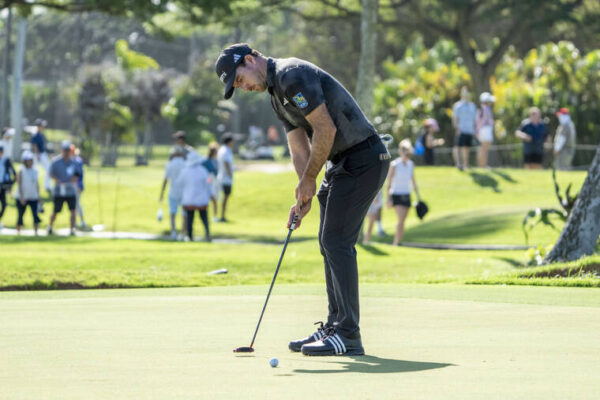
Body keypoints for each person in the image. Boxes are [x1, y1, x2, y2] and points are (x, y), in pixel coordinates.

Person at [216, 43, 390, 356]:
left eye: (240, 80)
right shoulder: (276, 97)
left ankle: (349, 335)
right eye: (236, 87)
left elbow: (325, 128)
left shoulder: (291, 74)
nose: (243, 88)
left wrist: (310, 178)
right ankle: (335, 326)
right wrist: (303, 191)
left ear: (251, 59)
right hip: (342, 163)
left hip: (364, 157)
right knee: (328, 242)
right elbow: (299, 149)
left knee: (337, 241)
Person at [387, 139, 421, 246]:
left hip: (407, 194)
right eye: (403, 150)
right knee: (401, 219)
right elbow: (389, 182)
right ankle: (396, 242)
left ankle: (399, 241)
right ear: (400, 151)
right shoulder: (394, 164)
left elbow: (413, 181)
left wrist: (418, 196)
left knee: (403, 220)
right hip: (396, 194)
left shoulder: (411, 164)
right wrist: (388, 198)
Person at [363, 134, 394, 244]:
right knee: (370, 217)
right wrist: (375, 195)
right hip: (372, 192)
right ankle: (365, 240)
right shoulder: (375, 159)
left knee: (372, 217)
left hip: (377, 191)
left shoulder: (382, 158)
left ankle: (366, 239)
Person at [48, 140, 82, 236]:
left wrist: (74, 179)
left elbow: (78, 174)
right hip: (59, 190)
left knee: (73, 211)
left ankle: (72, 229)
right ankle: (50, 227)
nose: (66, 152)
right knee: (56, 211)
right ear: (62, 150)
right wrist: (57, 180)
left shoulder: (74, 162)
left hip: (70, 190)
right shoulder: (56, 162)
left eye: (68, 150)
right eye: (65, 150)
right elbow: (50, 173)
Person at [177, 151, 211, 242]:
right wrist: (209, 194)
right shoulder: (203, 170)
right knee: (204, 218)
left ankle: (190, 236)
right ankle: (207, 233)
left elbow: (179, 184)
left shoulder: (184, 171)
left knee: (190, 219)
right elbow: (208, 183)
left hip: (189, 199)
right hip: (201, 199)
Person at [159, 147, 187, 240]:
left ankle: (174, 231)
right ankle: (183, 233)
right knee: (184, 213)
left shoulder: (170, 164)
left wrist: (161, 193)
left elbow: (165, 179)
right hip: (184, 192)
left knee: (173, 212)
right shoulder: (185, 164)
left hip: (173, 191)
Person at [15, 150, 41, 235]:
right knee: (20, 215)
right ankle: (18, 231)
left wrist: (39, 196)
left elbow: (36, 184)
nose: (30, 162)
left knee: (35, 215)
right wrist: (22, 197)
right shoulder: (21, 170)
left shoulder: (35, 170)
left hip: (33, 196)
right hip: (22, 197)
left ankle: (36, 231)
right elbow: (19, 185)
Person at [452, 87, 477, 170]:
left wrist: (475, 130)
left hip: (470, 130)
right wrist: (457, 128)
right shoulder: (457, 105)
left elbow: (475, 119)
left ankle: (466, 164)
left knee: (466, 147)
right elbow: (455, 118)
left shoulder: (472, 106)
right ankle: (459, 164)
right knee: (458, 147)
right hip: (461, 129)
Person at [216, 133, 234, 222]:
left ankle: (221, 215)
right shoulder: (226, 150)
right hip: (226, 178)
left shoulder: (222, 149)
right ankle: (222, 216)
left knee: (224, 197)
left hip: (221, 176)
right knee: (225, 198)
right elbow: (226, 162)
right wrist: (230, 173)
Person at [31, 118, 51, 192]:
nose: (43, 127)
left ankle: (47, 186)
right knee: (33, 170)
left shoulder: (41, 134)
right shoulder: (35, 135)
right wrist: (38, 155)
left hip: (43, 154)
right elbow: (35, 146)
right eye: (42, 125)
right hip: (37, 155)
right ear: (38, 126)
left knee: (49, 168)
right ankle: (32, 186)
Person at [476, 92, 495, 168]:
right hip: (485, 130)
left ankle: (483, 165)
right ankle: (482, 165)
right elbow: (481, 121)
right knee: (484, 148)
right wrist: (478, 131)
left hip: (485, 130)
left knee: (484, 148)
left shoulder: (484, 109)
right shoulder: (484, 109)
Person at [70, 145, 87, 229]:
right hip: (71, 186)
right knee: (74, 205)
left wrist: (79, 186)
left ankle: (82, 221)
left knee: (77, 204)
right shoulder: (71, 161)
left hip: (77, 185)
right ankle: (75, 222)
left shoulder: (78, 161)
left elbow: (79, 175)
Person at [0, 144, 16, 229]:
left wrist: (10, 186)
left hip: (3, 186)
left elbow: (13, 174)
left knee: (4, 204)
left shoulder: (6, 161)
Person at [204, 142, 220, 222]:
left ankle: (214, 216)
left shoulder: (216, 161)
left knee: (214, 199)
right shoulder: (206, 161)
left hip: (214, 181)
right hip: (208, 181)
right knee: (207, 199)